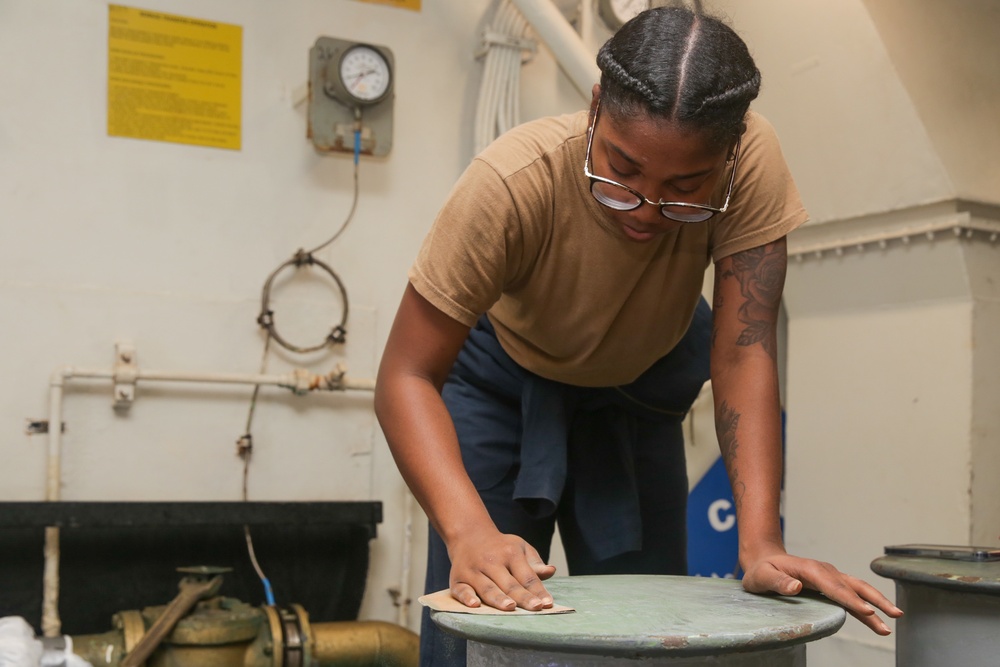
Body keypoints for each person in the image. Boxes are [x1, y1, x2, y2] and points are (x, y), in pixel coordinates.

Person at [374, 6, 902, 666]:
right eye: (621, 172)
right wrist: (470, 530)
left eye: (685, 189)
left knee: (656, 629)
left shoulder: (753, 163)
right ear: (596, 108)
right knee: (476, 613)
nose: (648, 211)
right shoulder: (512, 182)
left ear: (730, 150)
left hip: (639, 387)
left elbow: (743, 348)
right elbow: (405, 375)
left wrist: (761, 542)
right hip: (502, 382)